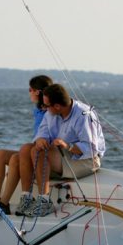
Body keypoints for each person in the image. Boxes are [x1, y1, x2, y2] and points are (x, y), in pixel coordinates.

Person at [24, 83, 106, 217]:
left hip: (87, 160)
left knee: (37, 152)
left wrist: (67, 146)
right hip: (63, 155)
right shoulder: (51, 112)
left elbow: (91, 149)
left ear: (57, 106)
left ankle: (44, 202)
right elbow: (42, 132)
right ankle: (26, 199)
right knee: (27, 148)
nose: (44, 108)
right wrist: (40, 139)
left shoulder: (83, 115)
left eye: (46, 105)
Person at [0, 75, 53, 218]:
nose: (29, 92)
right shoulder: (37, 111)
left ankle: (4, 203)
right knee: (0, 154)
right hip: (32, 151)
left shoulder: (51, 112)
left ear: (37, 92)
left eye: (30, 90)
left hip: (43, 155)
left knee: (15, 158)